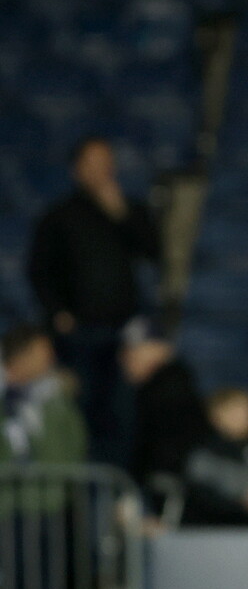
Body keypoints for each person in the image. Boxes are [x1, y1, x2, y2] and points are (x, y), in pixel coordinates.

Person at [27, 137, 160, 464]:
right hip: (79, 334)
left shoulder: (129, 209)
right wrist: (58, 312)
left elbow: (154, 252)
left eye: (107, 162)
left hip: (123, 334)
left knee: (121, 415)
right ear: (77, 169)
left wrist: (122, 214)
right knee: (79, 412)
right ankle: (76, 496)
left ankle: (114, 490)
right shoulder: (59, 216)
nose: (102, 170)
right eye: (93, 162)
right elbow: (39, 269)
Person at [120, 324, 209, 497]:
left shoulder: (169, 389)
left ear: (161, 350)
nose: (127, 359)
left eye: (137, 350)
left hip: (170, 489)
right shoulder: (156, 388)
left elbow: (167, 448)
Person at [183, 387, 248, 526]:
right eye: (237, 411)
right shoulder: (203, 455)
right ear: (217, 416)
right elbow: (209, 497)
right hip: (214, 534)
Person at [0, 324, 87, 467]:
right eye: (44, 353)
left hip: (46, 486)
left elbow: (75, 443)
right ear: (22, 355)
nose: (51, 359)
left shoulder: (56, 398)